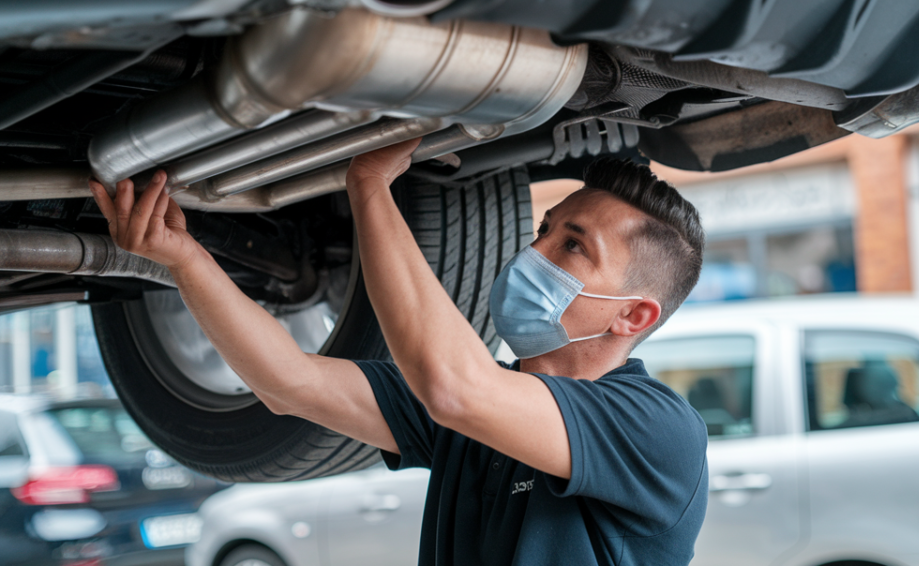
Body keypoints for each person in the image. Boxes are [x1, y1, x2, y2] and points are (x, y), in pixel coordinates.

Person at [89, 142, 709, 566]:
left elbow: (454, 388)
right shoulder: (480, 419)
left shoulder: (655, 427)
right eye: (544, 229)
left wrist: (370, 186)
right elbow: (288, 382)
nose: (534, 253)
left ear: (633, 315)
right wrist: (184, 258)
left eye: (573, 247)